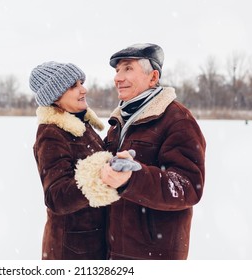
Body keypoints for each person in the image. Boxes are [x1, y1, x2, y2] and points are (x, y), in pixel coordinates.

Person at [76, 43, 206, 259]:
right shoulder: (120, 120)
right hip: (115, 250)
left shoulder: (177, 120)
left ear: (153, 77)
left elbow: (188, 186)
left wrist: (133, 178)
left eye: (127, 68)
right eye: (117, 71)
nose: (118, 77)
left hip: (153, 255)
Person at [30, 61, 108, 260]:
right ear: (55, 97)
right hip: (72, 249)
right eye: (74, 86)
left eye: (81, 82)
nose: (84, 89)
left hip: (95, 241)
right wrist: (100, 178)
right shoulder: (51, 133)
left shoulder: (81, 125)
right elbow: (56, 197)